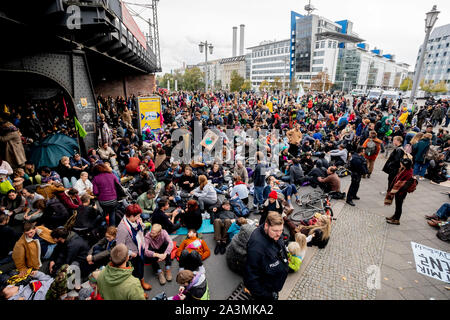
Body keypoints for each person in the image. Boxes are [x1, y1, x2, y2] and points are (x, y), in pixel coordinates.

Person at [244, 212, 289, 301]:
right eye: (275, 231)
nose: (279, 234)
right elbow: (251, 277)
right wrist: (267, 295)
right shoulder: (256, 247)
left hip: (274, 284)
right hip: (266, 293)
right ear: (266, 226)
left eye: (281, 230)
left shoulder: (274, 234)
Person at [116, 204, 151, 291]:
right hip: (133, 254)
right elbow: (119, 246)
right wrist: (131, 253)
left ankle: (142, 282)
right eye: (138, 216)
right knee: (134, 273)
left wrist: (141, 223)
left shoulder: (135, 221)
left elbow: (141, 230)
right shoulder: (122, 228)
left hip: (140, 249)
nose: (139, 217)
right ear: (131, 216)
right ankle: (138, 289)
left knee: (141, 267)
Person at [385, 158, 414, 225]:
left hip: (401, 192)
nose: (400, 164)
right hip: (399, 191)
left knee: (399, 206)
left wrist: (397, 189)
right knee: (397, 205)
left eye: (402, 163)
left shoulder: (408, 172)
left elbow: (404, 183)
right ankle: (395, 216)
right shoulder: (406, 169)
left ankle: (397, 219)